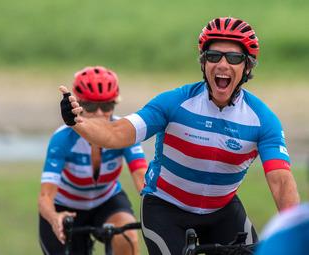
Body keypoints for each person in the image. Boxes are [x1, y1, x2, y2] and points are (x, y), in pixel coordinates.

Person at [59, 17, 300, 255]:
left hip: (222, 210)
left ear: (246, 67)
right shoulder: (175, 103)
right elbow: (116, 134)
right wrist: (78, 122)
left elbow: (281, 182)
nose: (223, 65)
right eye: (214, 56)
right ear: (204, 63)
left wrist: (296, 237)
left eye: (234, 58)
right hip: (165, 208)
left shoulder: (262, 119)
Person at [38, 66, 148, 255]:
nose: (99, 113)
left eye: (106, 106)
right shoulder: (63, 138)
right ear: (77, 105)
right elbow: (45, 197)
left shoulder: (124, 130)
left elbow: (141, 175)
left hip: (106, 200)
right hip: (65, 207)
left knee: (127, 235)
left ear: (115, 104)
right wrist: (55, 217)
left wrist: (159, 207)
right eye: (90, 106)